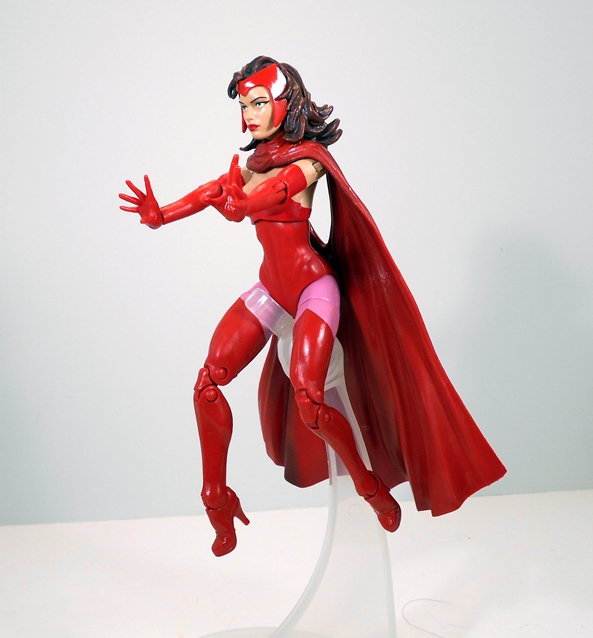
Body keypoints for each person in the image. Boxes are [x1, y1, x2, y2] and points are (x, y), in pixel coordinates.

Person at [120, 56, 506, 557]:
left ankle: (369, 485)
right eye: (245, 106)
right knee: (207, 384)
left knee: (311, 400)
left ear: (287, 103)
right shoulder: (250, 163)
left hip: (312, 290)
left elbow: (280, 191)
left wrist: (244, 204)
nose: (250, 115)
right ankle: (217, 498)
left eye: (259, 103)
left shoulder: (310, 160)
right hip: (272, 290)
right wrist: (162, 214)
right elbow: (213, 190)